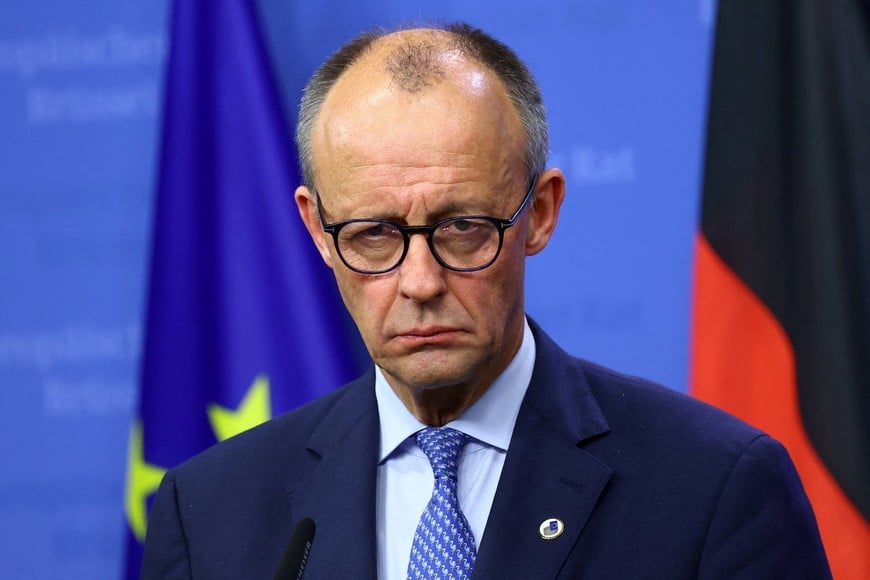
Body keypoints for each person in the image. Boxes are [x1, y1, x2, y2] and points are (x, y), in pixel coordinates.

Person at [141, 22, 831, 579]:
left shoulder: (713, 489)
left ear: (540, 213)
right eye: (374, 235)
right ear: (319, 232)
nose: (420, 282)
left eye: (462, 228)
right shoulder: (209, 513)